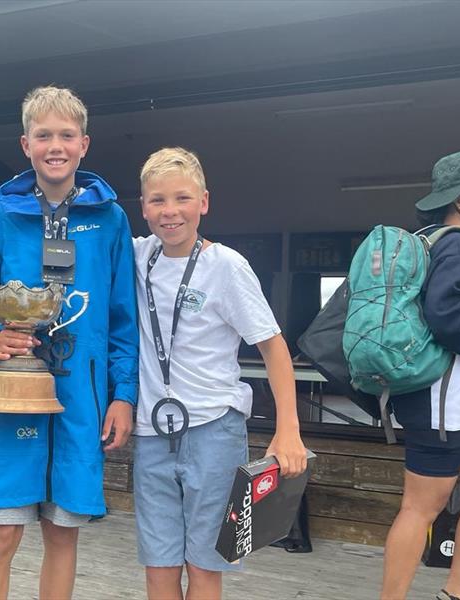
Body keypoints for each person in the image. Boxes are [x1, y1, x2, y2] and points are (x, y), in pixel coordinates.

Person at [0, 85, 138, 600]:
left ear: (84, 143)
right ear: (25, 144)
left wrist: (123, 394)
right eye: (43, 136)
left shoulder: (110, 220)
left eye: (66, 135)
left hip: (81, 397)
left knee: (63, 537)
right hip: (14, 391)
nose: (54, 145)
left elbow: (123, 316)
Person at [132, 147, 307, 600]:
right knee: (159, 565)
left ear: (204, 202)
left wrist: (288, 430)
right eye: (157, 201)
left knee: (205, 565)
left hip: (214, 430)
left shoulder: (226, 266)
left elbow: (274, 347)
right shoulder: (134, 257)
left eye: (182, 199)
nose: (170, 212)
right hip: (152, 432)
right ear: (143, 208)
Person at [381, 150, 460, 600]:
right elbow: (449, 319)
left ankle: (456, 592)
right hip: (443, 400)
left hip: (444, 398)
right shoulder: (459, 243)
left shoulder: (427, 238)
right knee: (419, 509)